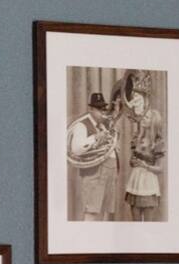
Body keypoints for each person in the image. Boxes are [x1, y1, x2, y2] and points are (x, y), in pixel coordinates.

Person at [68, 92, 120, 221]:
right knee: (92, 213)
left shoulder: (103, 125)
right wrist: (95, 138)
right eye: (98, 108)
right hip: (94, 174)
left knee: (104, 213)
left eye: (103, 108)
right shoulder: (81, 125)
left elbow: (110, 145)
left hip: (109, 171)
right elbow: (76, 149)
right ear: (90, 109)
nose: (102, 111)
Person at [125, 103, 165, 221]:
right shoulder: (137, 139)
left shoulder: (158, 143)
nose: (143, 119)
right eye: (144, 116)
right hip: (135, 182)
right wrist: (133, 161)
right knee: (135, 223)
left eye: (146, 117)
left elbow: (160, 169)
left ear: (153, 122)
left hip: (148, 184)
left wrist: (145, 165)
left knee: (148, 225)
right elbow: (131, 163)